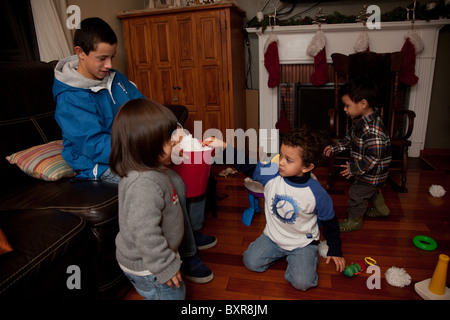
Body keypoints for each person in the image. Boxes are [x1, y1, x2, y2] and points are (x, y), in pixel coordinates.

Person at [52, 17, 214, 283]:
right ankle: (187, 254)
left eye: (113, 57)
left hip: (132, 150)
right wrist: (149, 150)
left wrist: (173, 129)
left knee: (189, 164)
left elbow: (144, 107)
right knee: (166, 181)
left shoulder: (115, 78)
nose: (110, 65)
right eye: (102, 58)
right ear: (80, 53)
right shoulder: (70, 99)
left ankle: (191, 232)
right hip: (101, 162)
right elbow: (95, 146)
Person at [204, 128, 345, 291]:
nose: (281, 162)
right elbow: (247, 165)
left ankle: (303, 259)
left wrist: (335, 249)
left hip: (302, 243)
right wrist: (223, 146)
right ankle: (285, 255)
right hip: (273, 237)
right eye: (281, 156)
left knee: (302, 283)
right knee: (250, 262)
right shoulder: (272, 173)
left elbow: (330, 222)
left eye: (288, 160)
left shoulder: (317, 193)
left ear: (306, 167)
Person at [110, 98, 185, 300]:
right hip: (149, 266)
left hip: (154, 258)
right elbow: (145, 234)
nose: (175, 142)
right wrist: (165, 266)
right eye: (168, 140)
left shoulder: (150, 170)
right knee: (173, 295)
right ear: (146, 145)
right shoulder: (144, 184)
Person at [323, 77, 391, 233]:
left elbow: (374, 157)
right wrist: (335, 147)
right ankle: (382, 210)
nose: (345, 110)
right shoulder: (360, 122)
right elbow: (349, 140)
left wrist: (354, 168)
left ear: (363, 104)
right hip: (368, 172)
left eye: (347, 106)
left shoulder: (373, 130)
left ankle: (354, 221)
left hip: (371, 173)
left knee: (357, 193)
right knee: (371, 190)